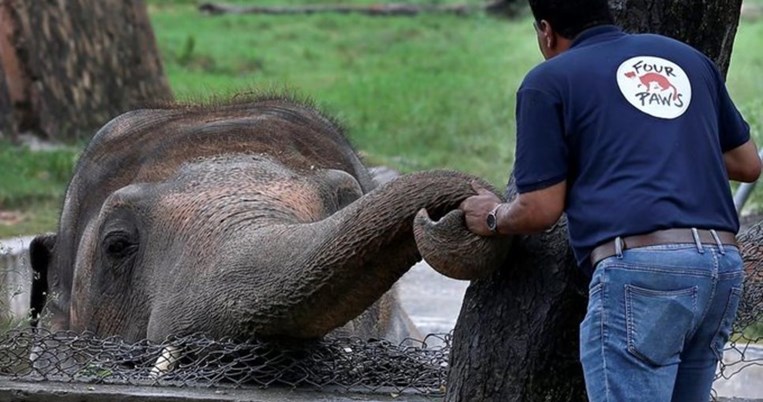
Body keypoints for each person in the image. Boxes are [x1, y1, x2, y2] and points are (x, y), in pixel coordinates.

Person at [458, 0, 762, 400]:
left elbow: (540, 209)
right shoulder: (687, 60)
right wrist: (670, 141)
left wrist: (493, 217)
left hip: (643, 273)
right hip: (721, 267)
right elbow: (748, 163)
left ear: (546, 32)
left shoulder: (548, 81)